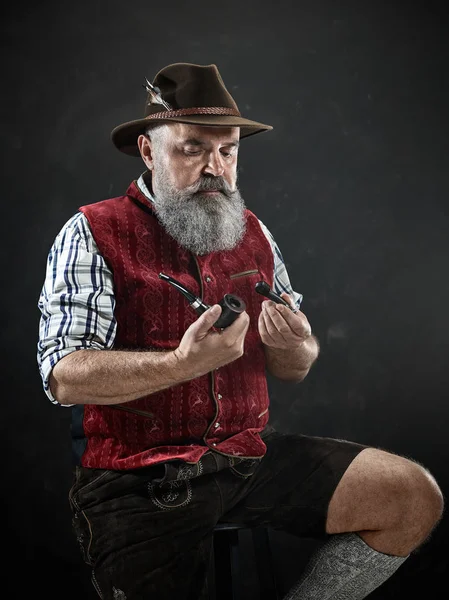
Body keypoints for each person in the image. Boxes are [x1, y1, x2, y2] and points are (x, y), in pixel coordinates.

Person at [37, 62, 444, 600]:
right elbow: (63, 376)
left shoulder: (251, 231)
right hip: (138, 480)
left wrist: (295, 343)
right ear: (148, 151)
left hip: (247, 459)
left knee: (412, 497)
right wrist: (181, 366)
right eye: (192, 149)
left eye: (227, 151)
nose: (215, 168)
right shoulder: (91, 231)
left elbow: (294, 366)